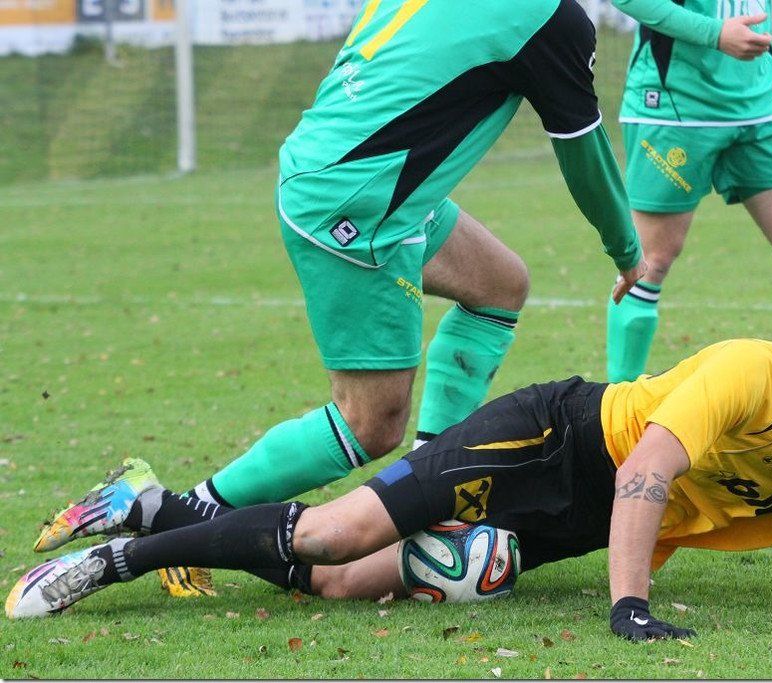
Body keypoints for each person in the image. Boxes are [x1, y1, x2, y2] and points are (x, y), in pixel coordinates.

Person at [30, 0, 648, 595]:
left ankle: (430, 495)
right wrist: (625, 247)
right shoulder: (552, 18)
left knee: (499, 284)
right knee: (370, 422)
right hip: (360, 204)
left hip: (351, 179)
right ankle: (167, 512)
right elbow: (583, 150)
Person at [9, 339, 772, 641]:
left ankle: (153, 504)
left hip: (573, 524)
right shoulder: (755, 372)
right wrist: (629, 607)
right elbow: (647, 473)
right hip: (552, 439)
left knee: (341, 582)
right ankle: (122, 556)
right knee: (331, 536)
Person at [603, 0, 772, 383]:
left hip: (759, 107)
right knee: (648, 262)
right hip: (675, 108)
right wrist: (716, 33)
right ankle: (615, 406)